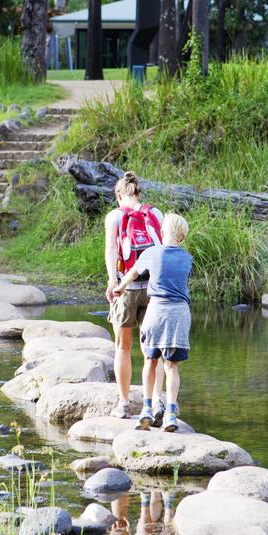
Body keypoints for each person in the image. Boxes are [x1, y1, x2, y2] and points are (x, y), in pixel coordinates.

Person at [113, 213, 192, 433]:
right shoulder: (187, 258)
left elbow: (133, 272)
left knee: (150, 360)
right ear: (182, 237)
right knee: (171, 366)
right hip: (179, 313)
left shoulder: (151, 252)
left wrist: (120, 287)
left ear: (161, 232)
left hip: (156, 309)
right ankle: (171, 414)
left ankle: (146, 409)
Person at [105, 171, 165, 420]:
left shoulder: (115, 216)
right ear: (139, 193)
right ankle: (158, 401)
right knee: (152, 349)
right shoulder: (156, 214)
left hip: (126, 287)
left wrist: (112, 280)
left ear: (119, 195)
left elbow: (111, 249)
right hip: (153, 288)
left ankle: (124, 403)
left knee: (123, 346)